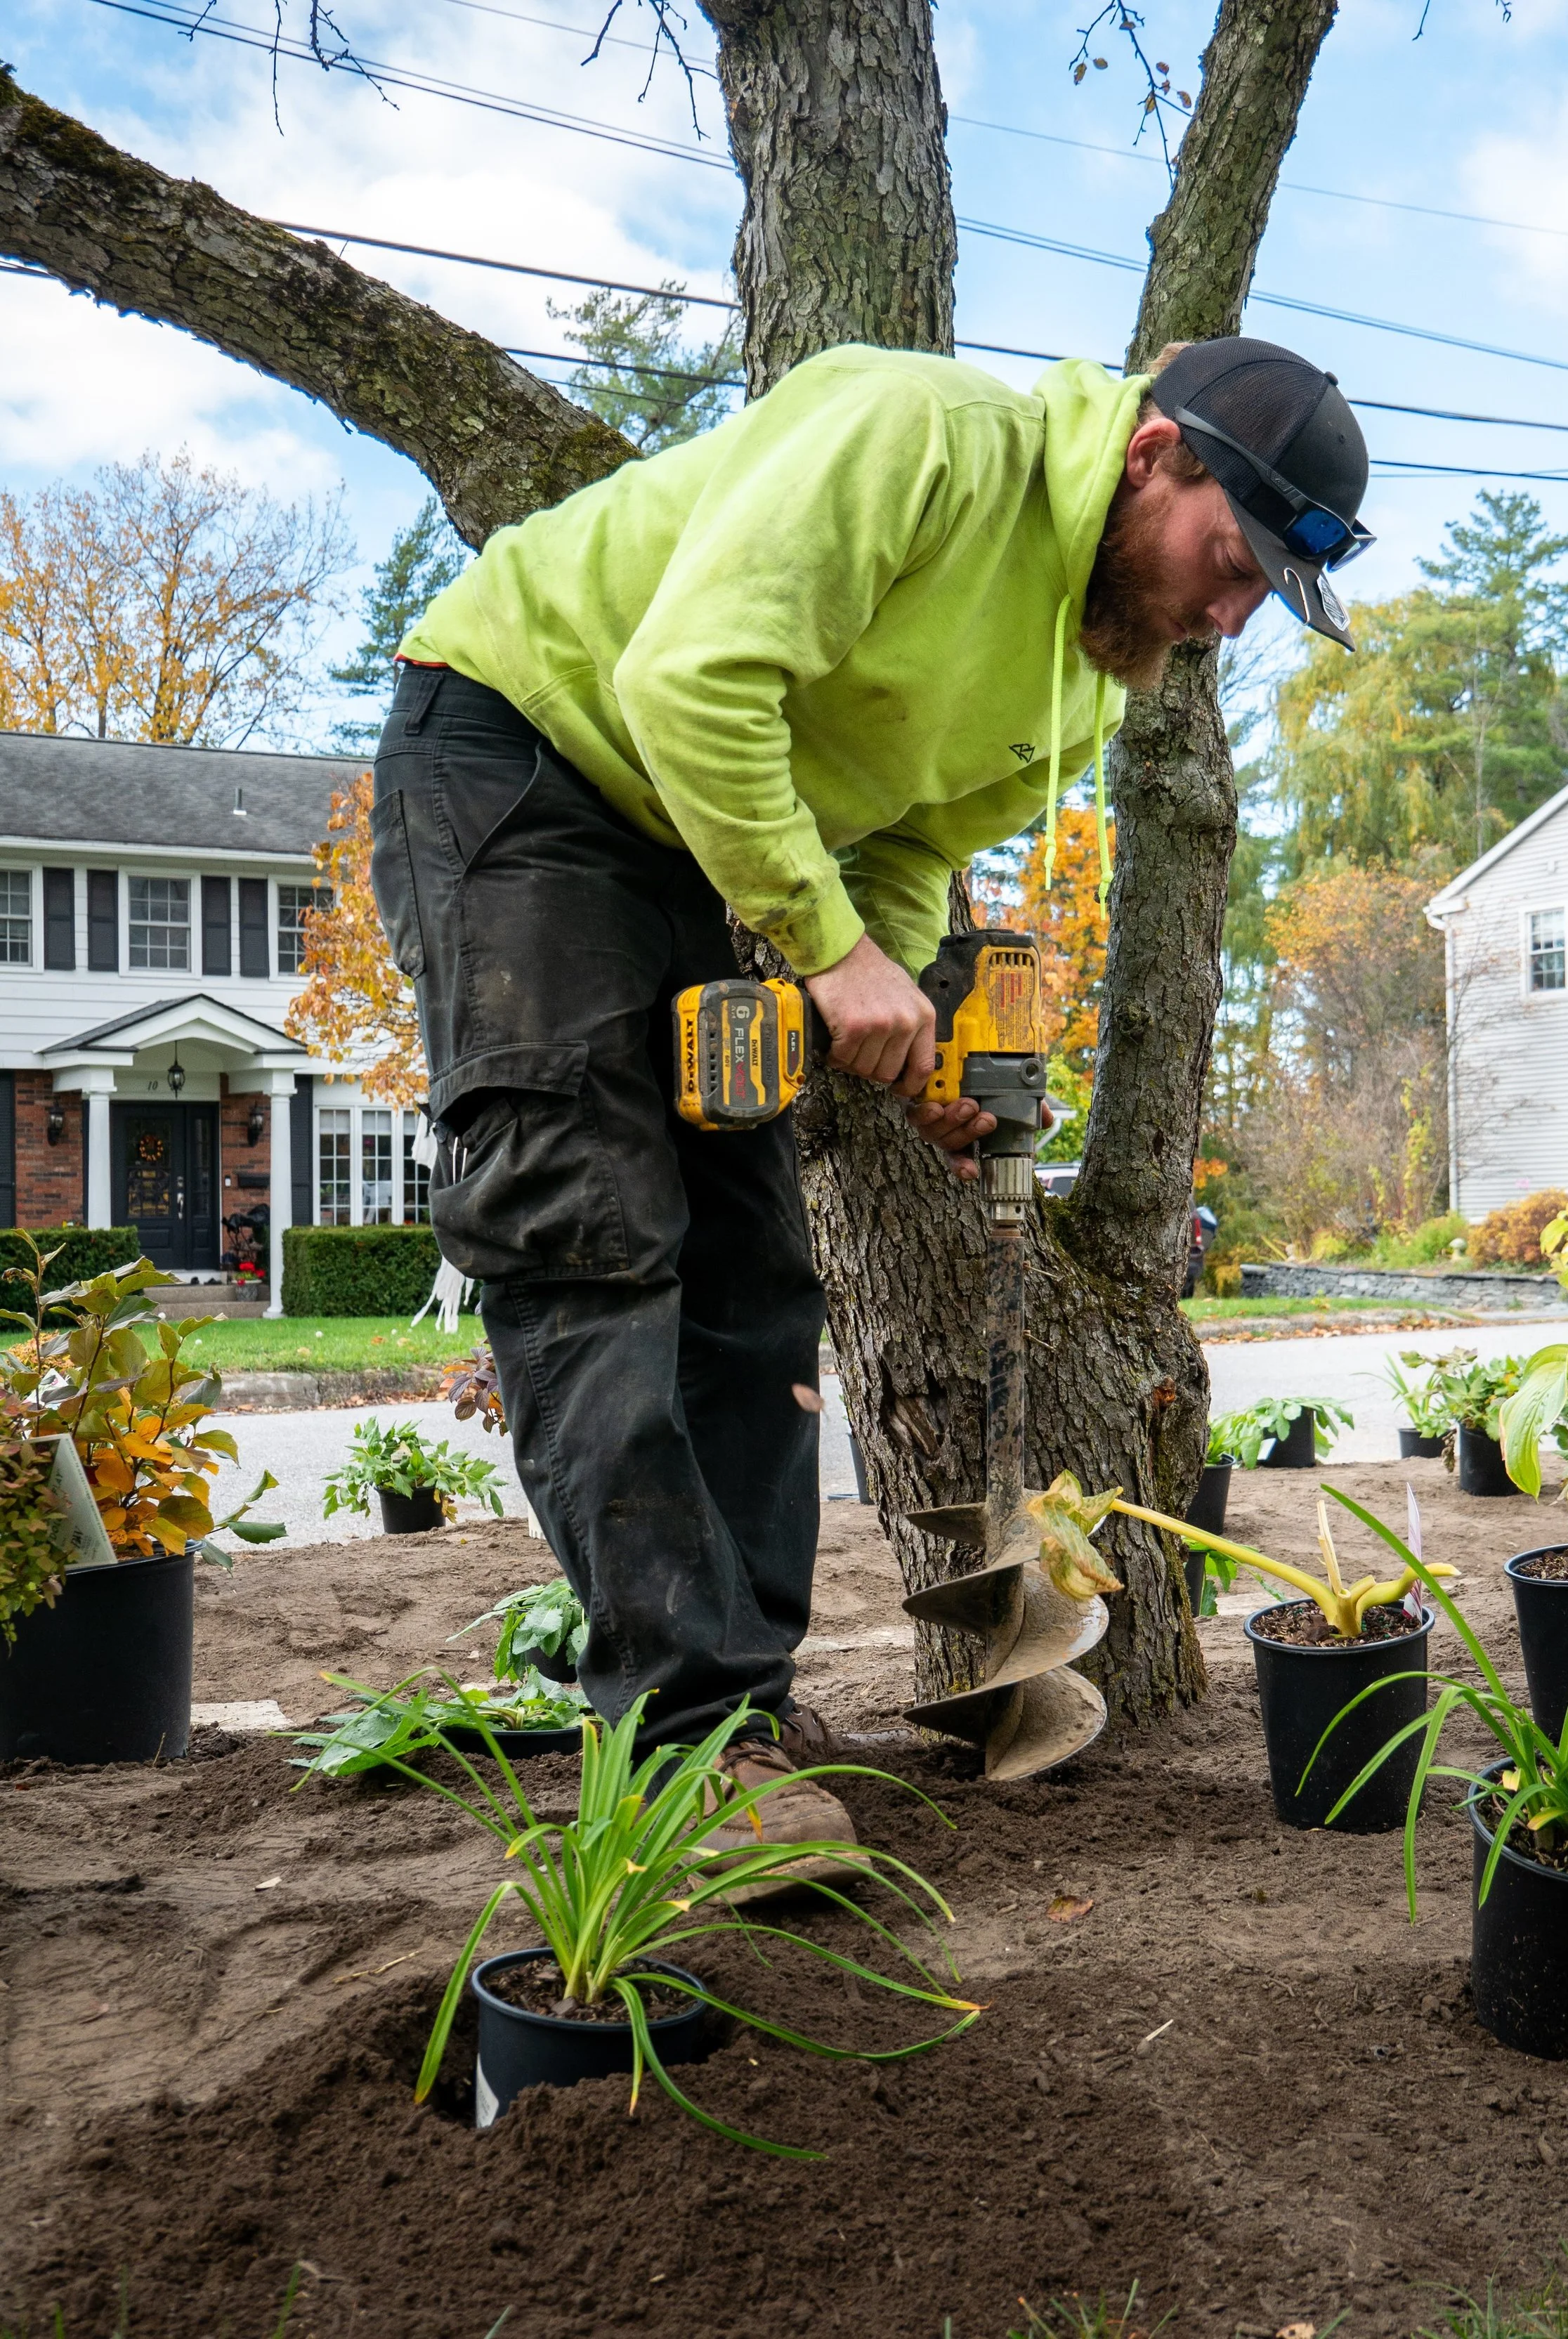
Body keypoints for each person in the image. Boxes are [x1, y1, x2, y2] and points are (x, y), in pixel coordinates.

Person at [374, 334, 1372, 1860]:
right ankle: (675, 1738)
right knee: (586, 1229)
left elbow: (901, 851)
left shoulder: (1082, 676)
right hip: (526, 746)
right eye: (1227, 561)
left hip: (694, 833)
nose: (1226, 617)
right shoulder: (918, 436)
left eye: (1258, 600)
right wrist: (834, 958)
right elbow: (685, 678)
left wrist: (887, 1019)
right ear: (1151, 453)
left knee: (754, 1272)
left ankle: (742, 1703)